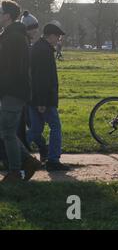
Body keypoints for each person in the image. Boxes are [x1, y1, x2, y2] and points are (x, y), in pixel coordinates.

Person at [0, 0, 42, 182]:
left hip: (13, 91)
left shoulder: (14, 38)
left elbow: (12, 69)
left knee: (7, 132)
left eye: (0, 12)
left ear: (8, 15)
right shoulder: (9, 35)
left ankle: (16, 171)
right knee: (6, 131)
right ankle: (27, 162)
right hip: (11, 91)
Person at [28, 21, 69, 172]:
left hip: (34, 97)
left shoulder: (38, 48)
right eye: (57, 36)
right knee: (55, 127)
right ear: (50, 35)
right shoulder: (45, 51)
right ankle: (53, 160)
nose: (58, 39)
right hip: (44, 99)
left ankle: (9, 152)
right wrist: (42, 101)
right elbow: (42, 78)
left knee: (35, 130)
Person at [20, 11, 49, 161]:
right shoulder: (24, 44)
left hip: (26, 91)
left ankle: (39, 150)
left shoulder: (28, 44)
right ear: (27, 28)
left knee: (31, 124)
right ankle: (42, 150)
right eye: (33, 28)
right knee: (31, 124)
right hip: (24, 91)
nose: (36, 30)